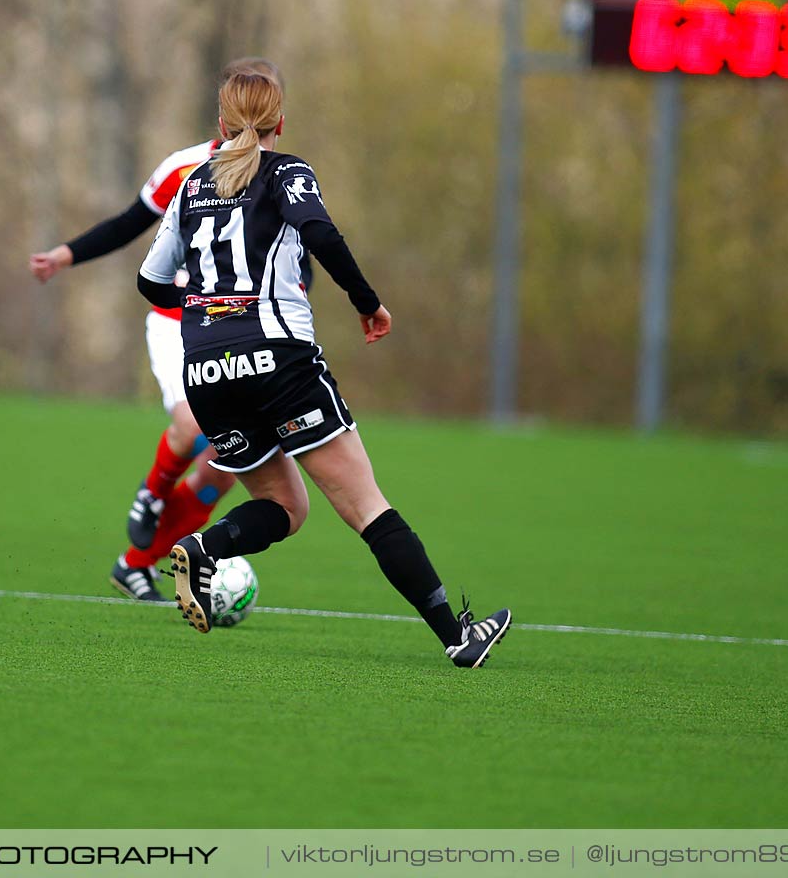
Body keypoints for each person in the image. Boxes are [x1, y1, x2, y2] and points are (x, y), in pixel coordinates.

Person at [139, 58, 511, 667]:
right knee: (367, 506)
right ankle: (457, 637)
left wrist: (204, 303)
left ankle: (206, 546)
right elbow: (322, 234)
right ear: (279, 122)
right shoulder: (287, 174)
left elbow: (151, 284)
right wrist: (369, 304)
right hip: (279, 360)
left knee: (286, 509)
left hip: (205, 370)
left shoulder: (190, 186)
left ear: (220, 123)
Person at [30, 136, 244, 600]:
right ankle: (152, 493)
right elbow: (131, 222)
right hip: (176, 322)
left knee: (222, 473)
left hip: (239, 332)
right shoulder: (184, 167)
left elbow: (301, 258)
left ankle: (134, 565)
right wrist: (66, 254)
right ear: (226, 116)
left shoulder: (280, 176)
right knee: (190, 424)